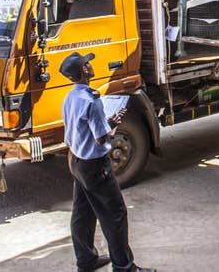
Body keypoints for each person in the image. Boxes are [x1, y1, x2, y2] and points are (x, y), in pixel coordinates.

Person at [59, 52, 156, 272]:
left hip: (76, 162)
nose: (91, 65)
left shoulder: (71, 97)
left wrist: (106, 121)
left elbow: (81, 128)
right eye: (88, 63)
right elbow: (101, 137)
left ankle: (86, 260)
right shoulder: (92, 101)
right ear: (84, 71)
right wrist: (112, 126)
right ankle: (124, 267)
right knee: (115, 214)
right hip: (95, 166)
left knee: (82, 213)